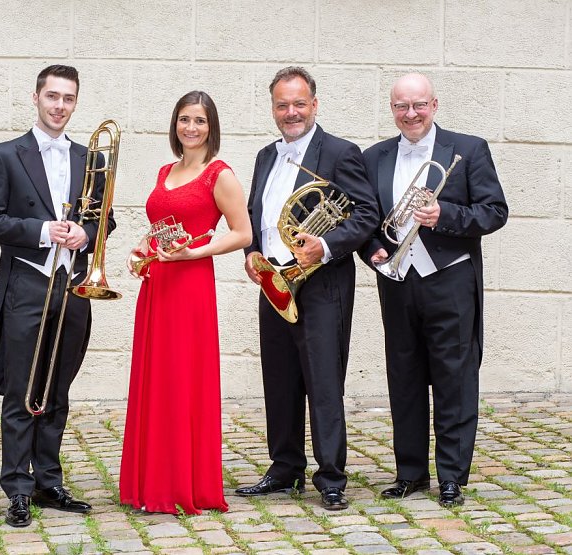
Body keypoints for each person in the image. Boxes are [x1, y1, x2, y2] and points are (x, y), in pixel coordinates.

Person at [359, 73, 508, 507]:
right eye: (401, 107)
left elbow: (494, 211)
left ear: (434, 105)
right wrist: (372, 252)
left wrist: (444, 213)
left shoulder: (468, 149)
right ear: (392, 110)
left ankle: (451, 476)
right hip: (398, 280)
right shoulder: (374, 157)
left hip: (450, 280)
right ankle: (410, 473)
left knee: (453, 378)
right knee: (403, 377)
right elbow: (367, 224)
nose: (411, 114)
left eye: (418, 105)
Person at [237, 66, 379, 510]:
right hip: (275, 279)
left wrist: (326, 244)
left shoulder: (340, 151)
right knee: (278, 379)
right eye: (283, 105)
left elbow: (366, 213)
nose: (291, 112)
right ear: (273, 108)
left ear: (314, 104)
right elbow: (256, 211)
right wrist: (254, 252)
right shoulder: (266, 156)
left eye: (299, 103)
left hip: (322, 285)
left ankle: (332, 477)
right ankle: (285, 468)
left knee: (322, 381)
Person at [0, 64, 114, 528]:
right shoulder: (6, 154)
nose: (60, 106)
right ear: (36, 98)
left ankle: (48, 481)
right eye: (52, 96)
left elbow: (105, 220)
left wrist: (84, 231)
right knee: (21, 390)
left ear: (76, 102)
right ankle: (17, 487)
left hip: (73, 284)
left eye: (68, 98)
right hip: (28, 285)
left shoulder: (89, 158)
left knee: (58, 389)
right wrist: (41, 230)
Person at [119, 91, 251, 515]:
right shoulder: (166, 169)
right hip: (158, 284)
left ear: (211, 126)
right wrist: (143, 247)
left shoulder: (220, 174)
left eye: (199, 120)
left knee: (182, 379)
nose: (190, 128)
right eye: (183, 120)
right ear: (174, 124)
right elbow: (160, 227)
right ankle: (150, 480)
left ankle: (182, 482)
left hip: (190, 285)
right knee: (156, 378)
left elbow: (242, 233)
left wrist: (195, 253)